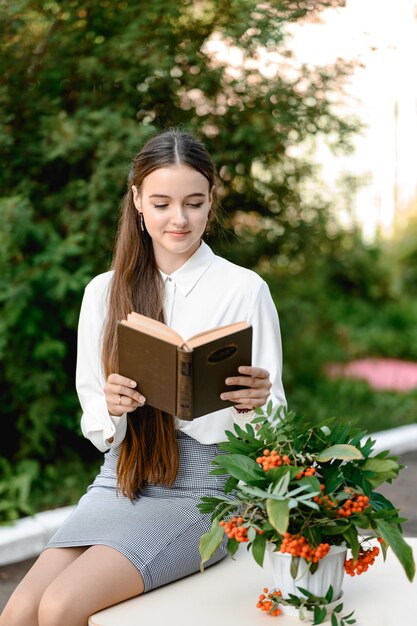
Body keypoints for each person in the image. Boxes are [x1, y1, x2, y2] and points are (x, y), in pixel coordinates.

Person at [0, 129, 286, 626]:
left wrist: (256, 401)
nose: (179, 219)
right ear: (136, 201)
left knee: (62, 607)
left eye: (194, 203)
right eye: (162, 203)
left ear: (211, 202)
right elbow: (94, 410)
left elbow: (276, 424)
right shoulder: (104, 291)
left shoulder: (244, 289)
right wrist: (112, 406)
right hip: (123, 477)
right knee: (19, 613)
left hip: (207, 489)